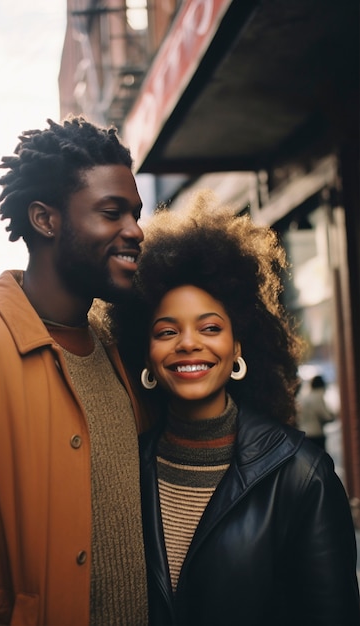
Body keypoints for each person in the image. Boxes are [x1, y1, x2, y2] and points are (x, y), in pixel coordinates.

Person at [108, 191, 360, 626]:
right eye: (167, 331)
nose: (189, 343)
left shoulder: (302, 476)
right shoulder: (123, 470)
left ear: (238, 345)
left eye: (210, 327)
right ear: (145, 353)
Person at [0, 115, 151, 625]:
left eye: (136, 213)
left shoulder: (121, 348)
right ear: (45, 219)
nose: (135, 231)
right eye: (112, 212)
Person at [296, 374, 335, 449]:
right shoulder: (318, 396)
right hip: (316, 433)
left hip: (304, 433)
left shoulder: (305, 397)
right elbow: (325, 415)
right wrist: (333, 416)